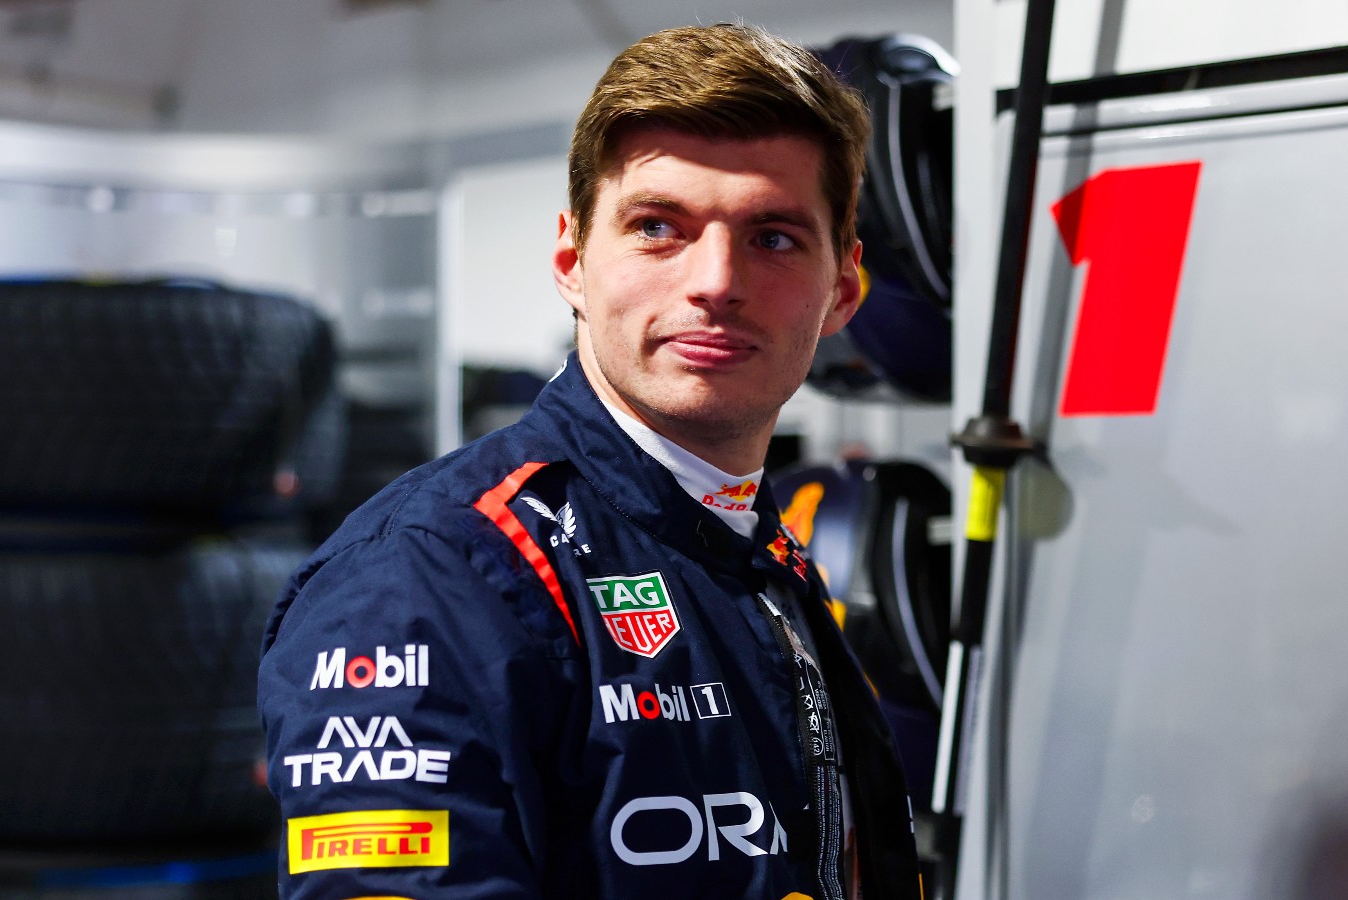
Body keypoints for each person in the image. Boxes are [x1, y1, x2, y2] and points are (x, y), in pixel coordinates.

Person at [258, 22, 922, 900]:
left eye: (773, 238)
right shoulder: (426, 575)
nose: (716, 281)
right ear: (573, 261)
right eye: (658, 227)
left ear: (842, 289)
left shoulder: (752, 551)